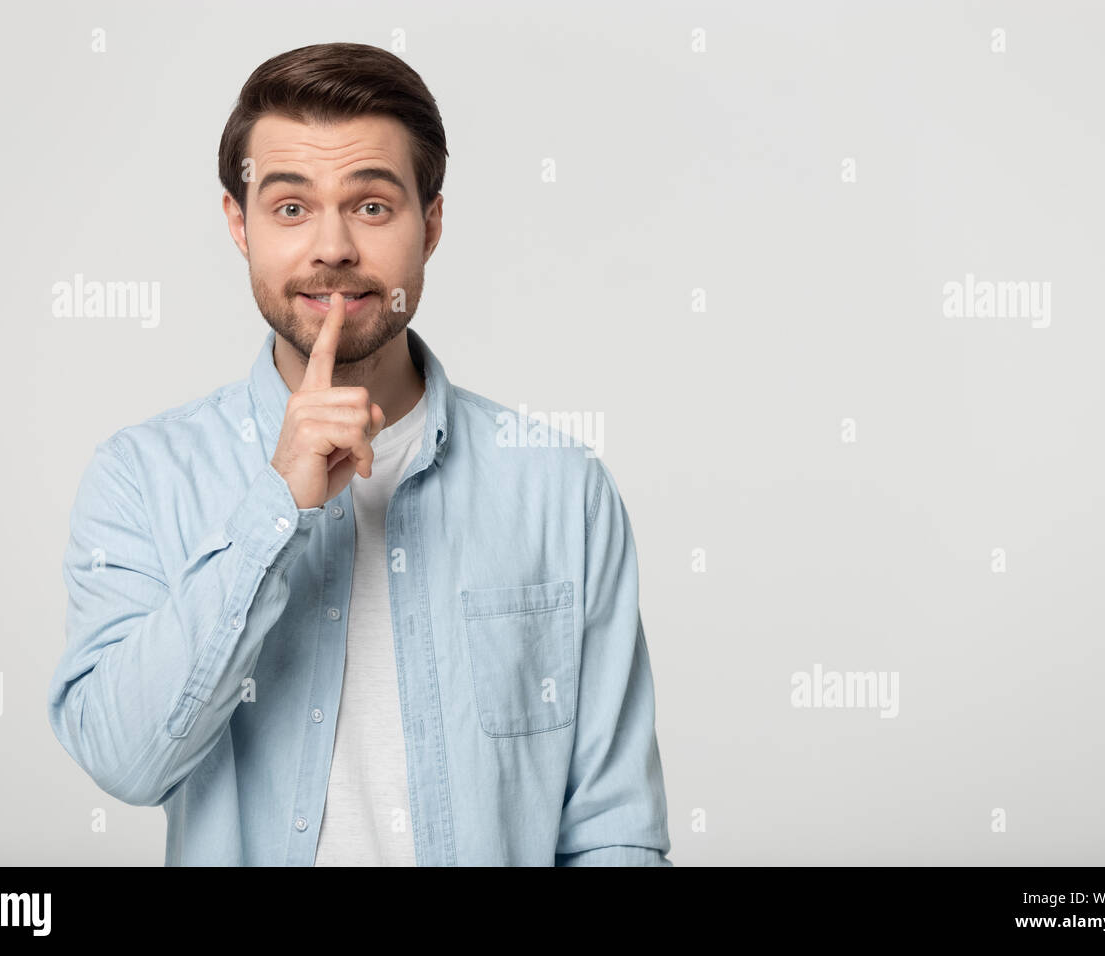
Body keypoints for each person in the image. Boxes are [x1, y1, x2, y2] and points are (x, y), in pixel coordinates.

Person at [46, 42, 672, 866]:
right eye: (291, 208)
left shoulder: (561, 488)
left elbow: (615, 833)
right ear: (240, 225)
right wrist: (276, 508)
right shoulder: (142, 477)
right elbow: (124, 760)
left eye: (372, 207)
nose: (333, 248)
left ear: (432, 223)